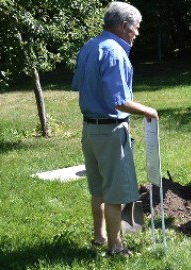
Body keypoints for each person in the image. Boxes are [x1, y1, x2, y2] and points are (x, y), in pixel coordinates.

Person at [72, 1, 158, 257]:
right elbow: (118, 100)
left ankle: (99, 237)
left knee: (98, 189)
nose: (137, 33)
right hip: (110, 131)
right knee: (115, 193)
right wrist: (147, 110)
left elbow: (80, 86)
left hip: (90, 130)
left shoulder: (90, 46)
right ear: (124, 26)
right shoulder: (115, 53)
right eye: (137, 28)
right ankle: (116, 247)